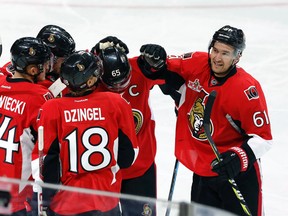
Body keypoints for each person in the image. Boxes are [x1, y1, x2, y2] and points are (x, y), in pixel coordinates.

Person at [138, 25, 273, 216]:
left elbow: (263, 138)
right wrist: (156, 59)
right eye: (215, 50)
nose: (217, 58)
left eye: (225, 53)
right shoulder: (197, 62)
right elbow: (164, 67)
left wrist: (238, 158)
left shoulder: (246, 89)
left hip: (237, 175)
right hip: (203, 168)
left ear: (237, 57)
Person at [31, 50, 139, 216]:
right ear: (89, 81)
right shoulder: (116, 103)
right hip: (106, 201)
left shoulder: (52, 108)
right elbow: (128, 158)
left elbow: (46, 163)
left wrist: (46, 200)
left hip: (66, 204)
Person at [91, 37, 165, 216]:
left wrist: (161, 60)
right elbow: (60, 83)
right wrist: (93, 53)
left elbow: (173, 75)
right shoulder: (90, 82)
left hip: (140, 170)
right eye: (112, 85)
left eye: (123, 81)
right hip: (104, 174)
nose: (119, 87)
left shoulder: (140, 70)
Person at [0, 37, 53, 216]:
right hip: (16, 198)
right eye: (43, 64)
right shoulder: (39, 97)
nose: (47, 68)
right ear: (32, 69)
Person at [36, 24, 76, 96]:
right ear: (51, 59)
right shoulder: (44, 87)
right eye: (65, 59)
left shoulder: (19, 66)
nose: (67, 63)